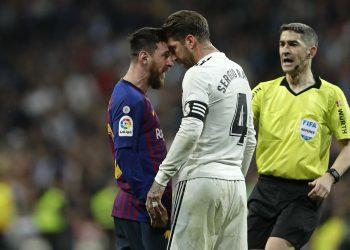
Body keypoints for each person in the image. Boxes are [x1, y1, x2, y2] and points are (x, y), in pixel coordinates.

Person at [146, 10, 256, 250]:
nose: (173, 58)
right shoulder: (240, 72)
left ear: (190, 41)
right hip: (236, 188)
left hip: (201, 181)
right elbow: (249, 140)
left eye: (174, 49)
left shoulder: (198, 73)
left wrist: (161, 180)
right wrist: (235, 177)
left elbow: (191, 128)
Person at [248, 22, 350, 250]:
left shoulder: (331, 95)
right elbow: (237, 125)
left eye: (293, 44)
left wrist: (330, 176)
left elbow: (348, 145)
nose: (285, 50)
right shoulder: (263, 91)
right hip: (265, 189)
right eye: (282, 44)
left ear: (311, 51)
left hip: (304, 194)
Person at [107, 27, 174, 250]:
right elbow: (125, 156)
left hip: (138, 212)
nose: (170, 63)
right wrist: (153, 202)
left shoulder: (134, 97)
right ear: (144, 57)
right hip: (140, 213)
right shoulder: (129, 100)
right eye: (165, 55)